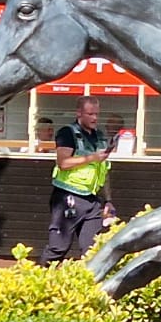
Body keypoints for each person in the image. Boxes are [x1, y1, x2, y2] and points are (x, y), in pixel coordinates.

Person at [44, 97, 112, 263]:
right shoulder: (67, 133)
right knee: (58, 248)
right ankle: (36, 281)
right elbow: (63, 163)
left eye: (96, 114)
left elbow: (104, 170)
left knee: (92, 250)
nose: (94, 118)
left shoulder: (100, 136)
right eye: (90, 114)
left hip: (92, 200)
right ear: (79, 113)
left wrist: (108, 200)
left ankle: (88, 286)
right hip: (69, 197)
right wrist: (92, 158)